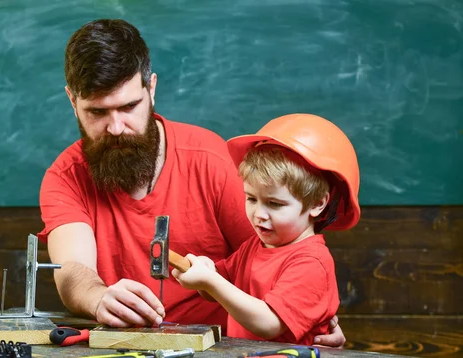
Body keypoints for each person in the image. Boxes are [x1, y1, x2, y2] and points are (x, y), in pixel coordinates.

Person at [37, 18, 345, 346]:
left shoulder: (210, 159)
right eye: (97, 113)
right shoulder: (65, 177)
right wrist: (97, 298)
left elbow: (282, 255)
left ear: (151, 88)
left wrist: (313, 321)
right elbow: (71, 269)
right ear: (73, 101)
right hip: (124, 347)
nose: (116, 127)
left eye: (129, 107)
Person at [172, 113, 360, 345]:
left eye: (275, 204)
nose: (259, 214)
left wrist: (210, 280)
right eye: (251, 199)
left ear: (317, 203)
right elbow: (217, 287)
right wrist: (203, 270)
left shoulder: (312, 262)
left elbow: (269, 323)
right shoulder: (255, 246)